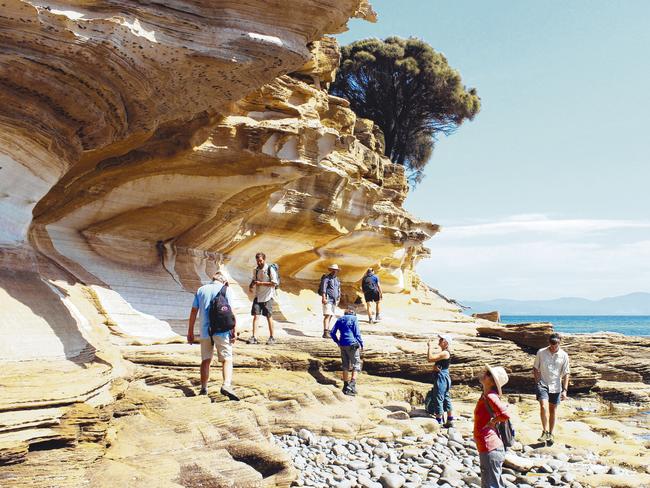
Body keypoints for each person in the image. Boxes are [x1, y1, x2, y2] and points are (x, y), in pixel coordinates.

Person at [187, 272, 239, 400]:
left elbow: (194, 311)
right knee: (227, 359)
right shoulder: (227, 290)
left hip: (205, 332)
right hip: (222, 331)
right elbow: (231, 312)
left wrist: (190, 332)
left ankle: (204, 388)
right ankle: (226, 384)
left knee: (206, 360)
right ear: (224, 281)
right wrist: (234, 330)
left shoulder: (201, 290)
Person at [474, 365, 511, 488]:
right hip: (489, 447)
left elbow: (505, 414)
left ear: (493, 382)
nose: (484, 374)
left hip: (490, 447)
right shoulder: (486, 395)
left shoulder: (490, 396)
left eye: (488, 374)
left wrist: (493, 421)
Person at [533, 332, 570, 445]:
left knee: (552, 410)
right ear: (549, 342)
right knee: (543, 406)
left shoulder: (564, 355)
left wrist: (564, 390)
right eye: (552, 343)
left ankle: (551, 433)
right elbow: (535, 368)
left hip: (556, 386)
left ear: (560, 342)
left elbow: (566, 374)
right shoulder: (541, 352)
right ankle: (544, 431)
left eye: (556, 343)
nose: (554, 345)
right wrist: (538, 382)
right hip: (543, 384)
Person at [330, 306, 364, 396]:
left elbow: (332, 332)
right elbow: (357, 333)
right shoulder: (354, 318)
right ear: (353, 312)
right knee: (356, 364)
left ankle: (345, 386)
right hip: (352, 344)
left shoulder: (340, 319)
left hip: (342, 344)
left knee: (345, 365)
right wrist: (361, 344)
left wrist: (337, 341)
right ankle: (352, 385)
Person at [248, 252, 278, 345]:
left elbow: (274, 283)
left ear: (264, 260)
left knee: (268, 316)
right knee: (256, 316)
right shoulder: (255, 270)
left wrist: (261, 284)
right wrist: (251, 285)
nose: (259, 263)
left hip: (268, 296)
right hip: (258, 296)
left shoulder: (270, 269)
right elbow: (254, 279)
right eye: (257, 261)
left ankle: (272, 337)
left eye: (260, 261)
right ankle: (254, 337)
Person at [427, 334, 455, 427]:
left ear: (445, 342)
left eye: (441, 339)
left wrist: (430, 347)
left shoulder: (445, 353)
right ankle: (450, 419)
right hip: (445, 376)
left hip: (442, 377)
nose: (439, 340)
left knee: (438, 396)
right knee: (446, 397)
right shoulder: (445, 352)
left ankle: (438, 420)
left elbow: (430, 358)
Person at [321, 264, 341, 338]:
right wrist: (324, 298)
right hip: (328, 299)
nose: (334, 271)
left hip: (334, 300)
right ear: (331, 270)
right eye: (333, 270)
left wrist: (339, 298)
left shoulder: (337, 279)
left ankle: (327, 331)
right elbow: (324, 288)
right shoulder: (326, 278)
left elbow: (338, 289)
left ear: (337, 271)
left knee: (330, 315)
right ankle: (325, 332)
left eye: (335, 270)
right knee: (327, 315)